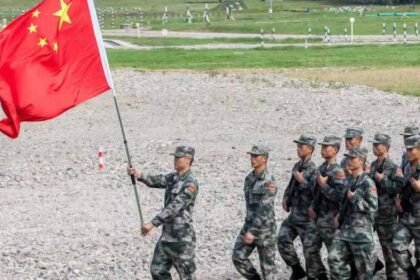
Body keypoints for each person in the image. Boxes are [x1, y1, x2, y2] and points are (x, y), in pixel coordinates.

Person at [127, 145, 199, 280]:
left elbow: (174, 207)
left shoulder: (190, 183)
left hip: (182, 239)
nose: (175, 160)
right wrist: (139, 175)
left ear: (188, 159)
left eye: (179, 157)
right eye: (175, 157)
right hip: (167, 237)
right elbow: (156, 180)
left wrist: (153, 223)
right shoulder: (173, 177)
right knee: (157, 270)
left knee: (187, 275)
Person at [328, 147, 378, 280]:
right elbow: (343, 203)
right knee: (333, 258)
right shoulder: (348, 181)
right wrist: (339, 215)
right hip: (345, 231)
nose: (348, 161)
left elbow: (373, 207)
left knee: (364, 273)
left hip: (361, 234)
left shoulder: (368, 183)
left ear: (361, 161)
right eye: (348, 158)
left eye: (352, 158)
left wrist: (355, 198)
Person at [278, 135, 321, 280]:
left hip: (307, 219)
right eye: (298, 146)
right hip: (294, 215)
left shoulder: (314, 170)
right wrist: (286, 198)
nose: (298, 149)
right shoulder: (297, 165)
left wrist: (302, 181)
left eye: (301, 147)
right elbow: (291, 185)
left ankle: (317, 275)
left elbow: (316, 193)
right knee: (282, 240)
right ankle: (297, 269)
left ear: (310, 149)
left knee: (310, 251)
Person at [232, 145, 278, 280]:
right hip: (249, 224)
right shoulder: (249, 178)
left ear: (264, 159)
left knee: (268, 268)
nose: (252, 159)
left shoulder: (269, 181)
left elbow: (265, 208)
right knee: (238, 256)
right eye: (251, 156)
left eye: (256, 156)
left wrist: (253, 231)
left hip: (264, 229)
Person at [305, 135, 345, 280]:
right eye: (322, 147)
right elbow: (314, 192)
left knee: (334, 256)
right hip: (317, 218)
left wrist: (324, 185)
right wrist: (311, 206)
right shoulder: (320, 168)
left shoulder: (339, 172)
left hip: (331, 219)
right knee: (309, 247)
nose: (322, 150)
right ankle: (319, 275)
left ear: (335, 150)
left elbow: (340, 197)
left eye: (326, 147)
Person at [368, 133, 404, 279]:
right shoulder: (372, 165)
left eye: (378, 145)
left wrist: (383, 180)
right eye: (374, 144)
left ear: (387, 147)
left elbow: (399, 188)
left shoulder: (394, 168)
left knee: (388, 248)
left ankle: (392, 275)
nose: (375, 147)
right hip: (372, 212)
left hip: (386, 213)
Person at [392, 135, 420, 280]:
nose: (408, 152)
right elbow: (402, 186)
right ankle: (411, 272)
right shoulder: (407, 166)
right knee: (396, 246)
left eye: (412, 149)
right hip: (407, 217)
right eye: (407, 149)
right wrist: (398, 199)